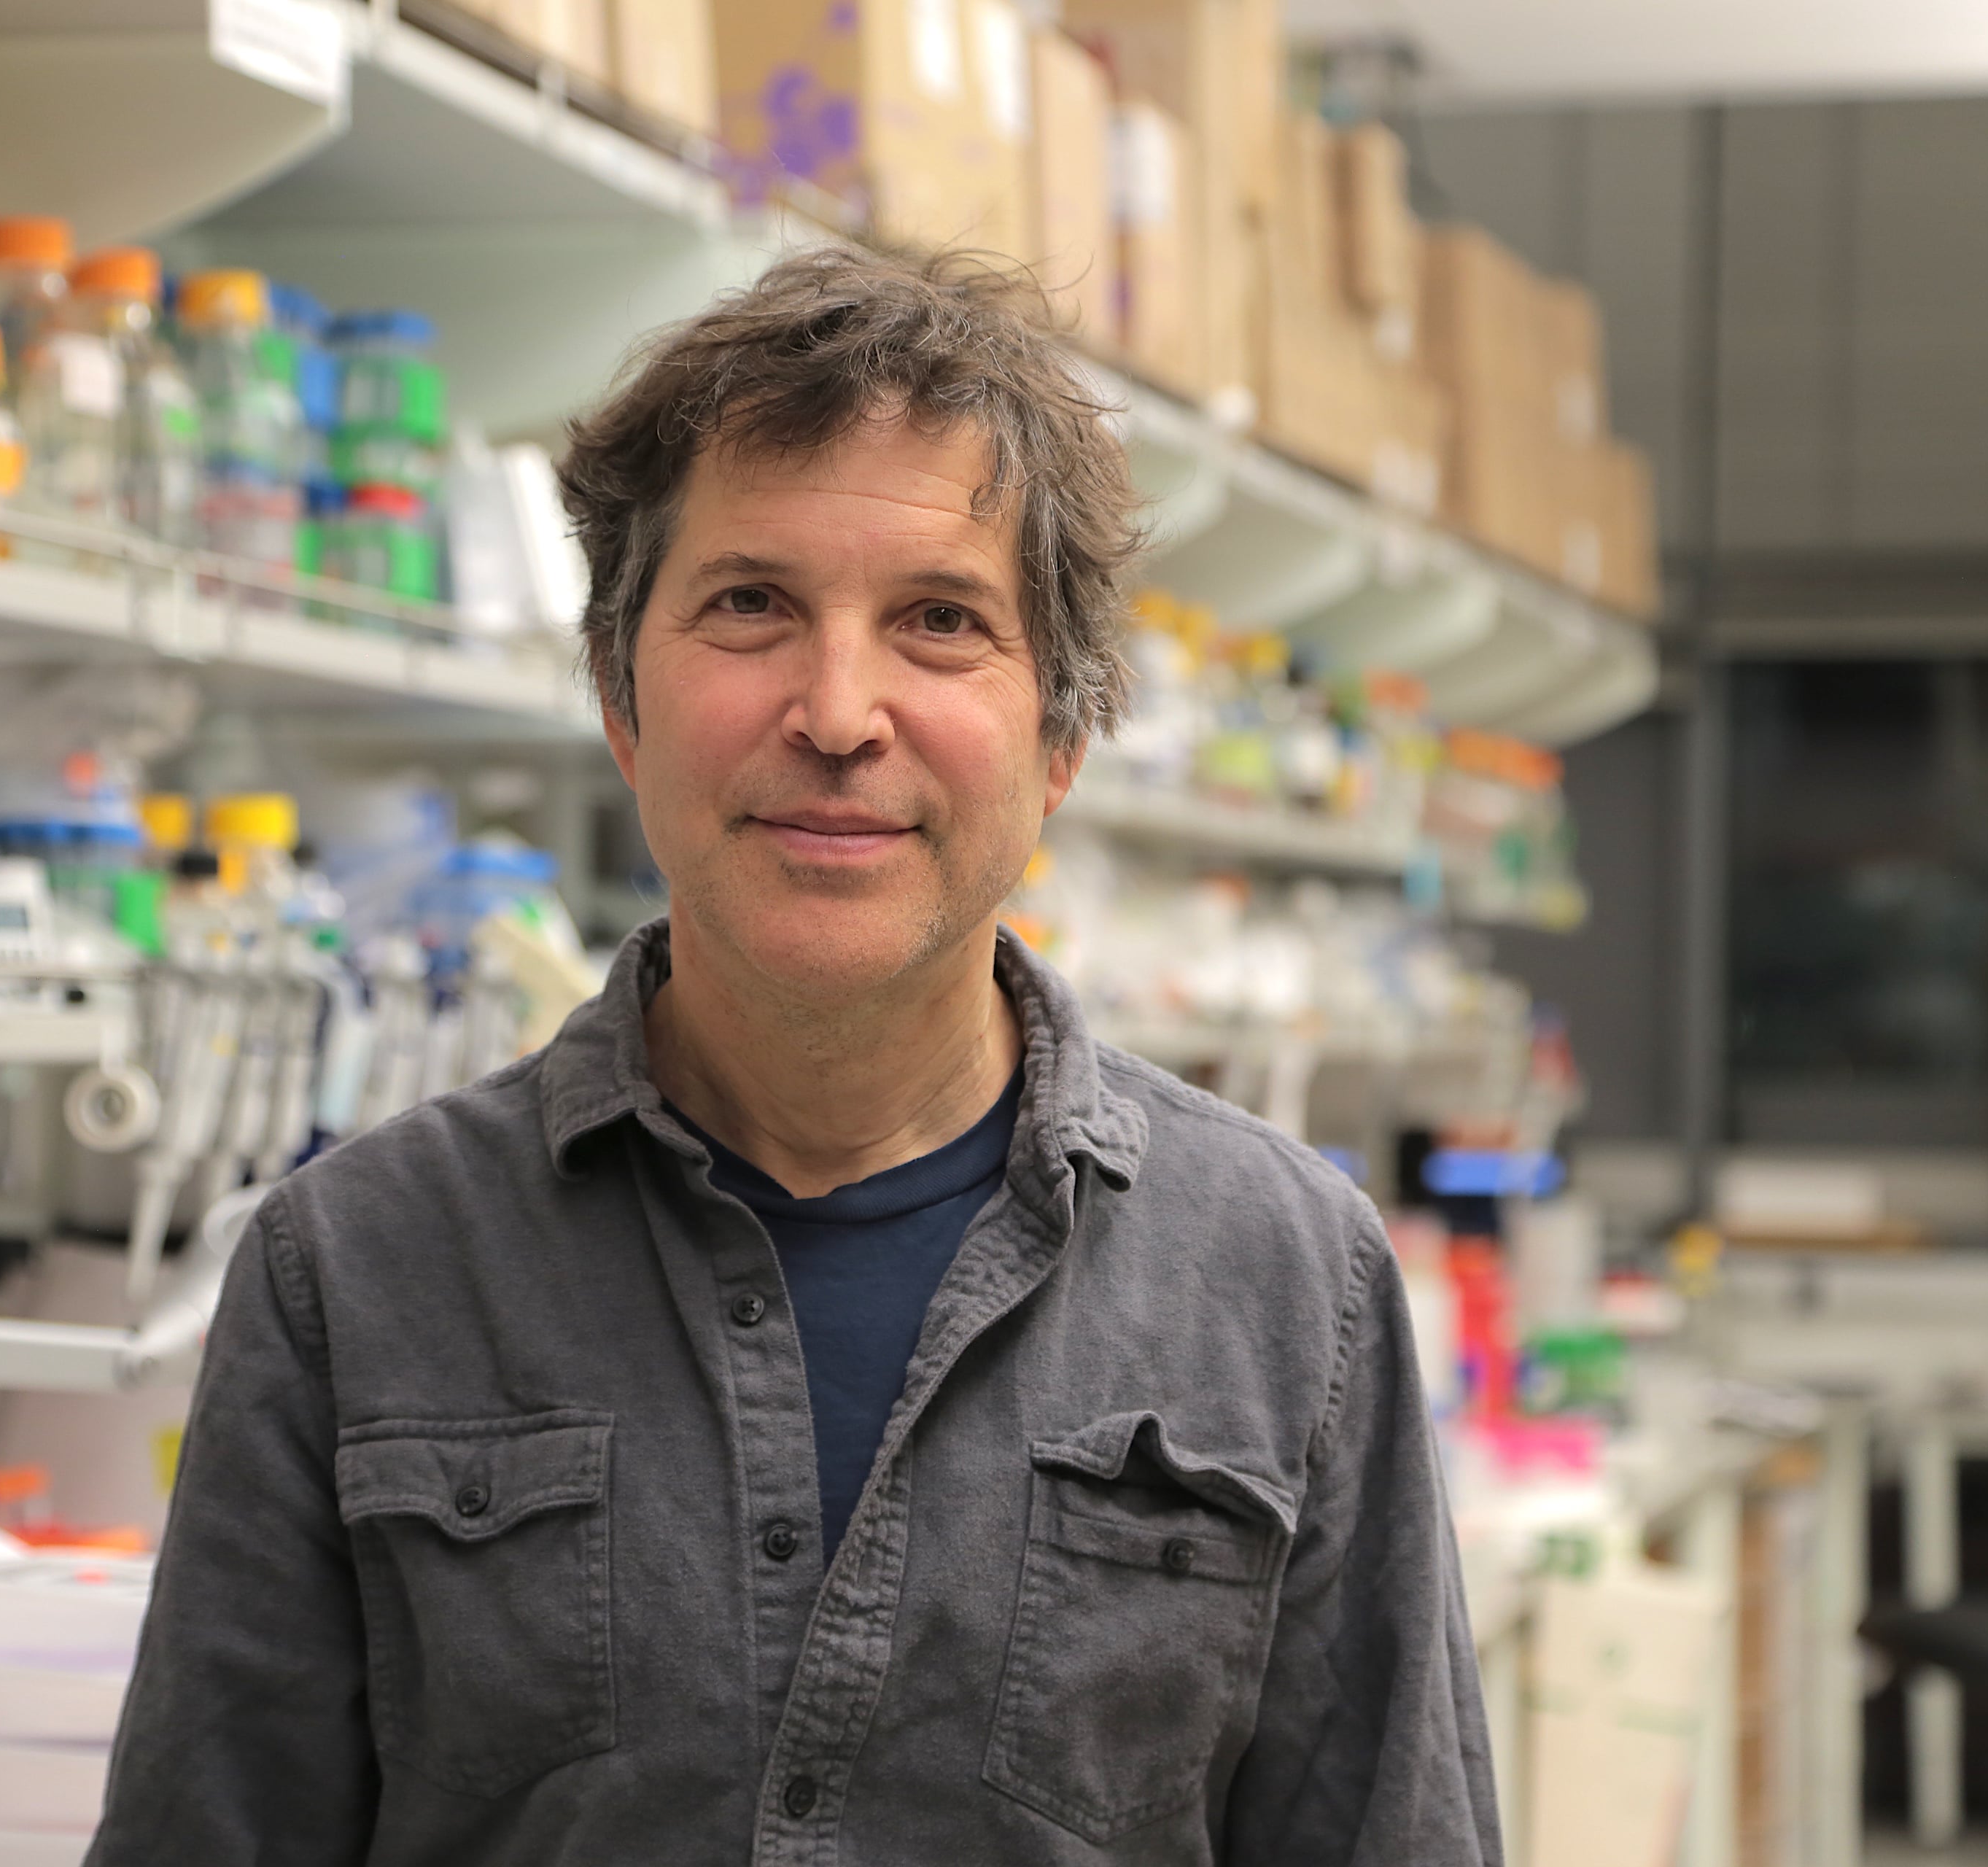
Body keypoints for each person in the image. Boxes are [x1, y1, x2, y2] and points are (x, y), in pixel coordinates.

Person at [88, 247, 1499, 1866]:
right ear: (623, 700)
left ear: (1060, 744)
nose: (839, 710)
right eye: (752, 603)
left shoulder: (1285, 1287)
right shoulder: (355, 1272)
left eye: (941, 621)